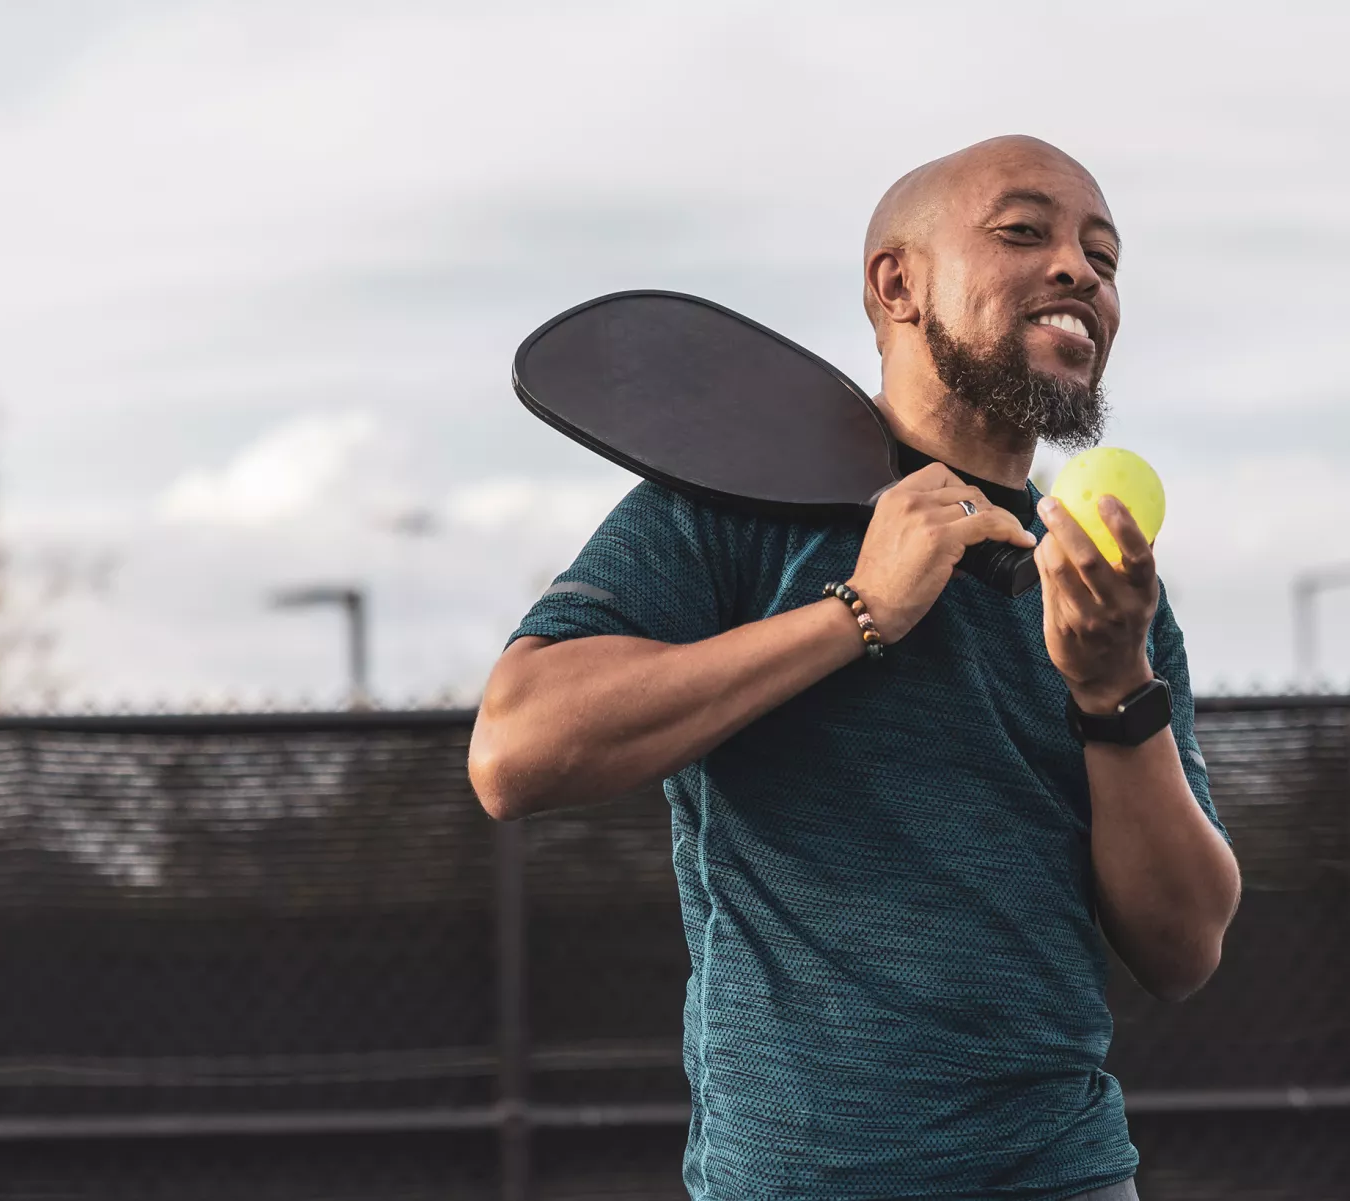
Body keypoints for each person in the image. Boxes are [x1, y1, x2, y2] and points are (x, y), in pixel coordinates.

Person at [468, 134, 1241, 1201]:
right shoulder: (726, 510)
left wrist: (1113, 688)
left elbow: (1185, 946)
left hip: (1065, 1175)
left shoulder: (1104, 591)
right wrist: (859, 610)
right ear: (897, 283)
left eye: (1102, 257)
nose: (1079, 271)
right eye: (1025, 231)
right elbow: (515, 748)